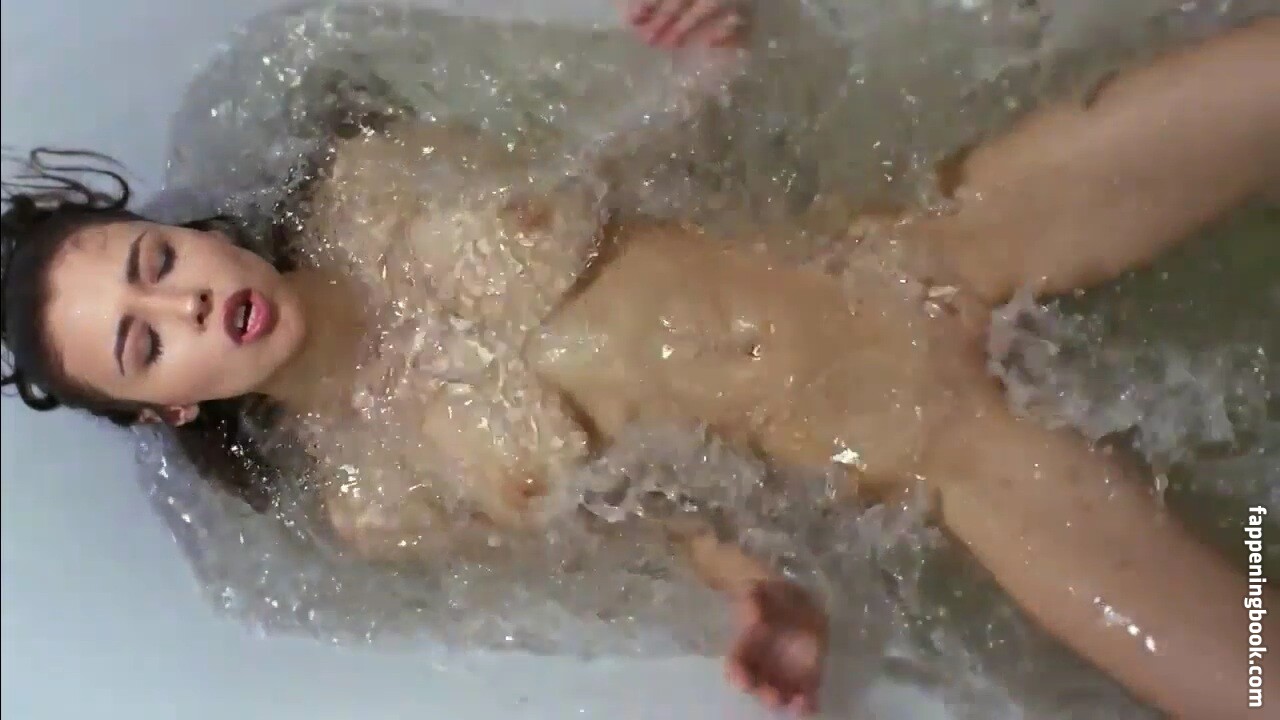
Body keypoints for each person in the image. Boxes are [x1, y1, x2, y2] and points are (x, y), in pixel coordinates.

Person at [2, 1, 1276, 716]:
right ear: (166, 410)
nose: (184, 302)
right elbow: (638, 516)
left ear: (182, 229)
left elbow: (638, 156)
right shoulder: (371, 503)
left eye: (154, 261)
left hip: (924, 246)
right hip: (936, 453)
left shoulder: (366, 178)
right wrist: (761, 595)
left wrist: (706, 57)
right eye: (142, 341)